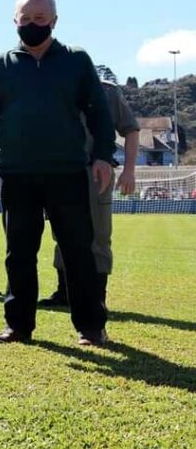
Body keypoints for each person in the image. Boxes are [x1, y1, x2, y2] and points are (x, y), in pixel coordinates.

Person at [0, 0, 115, 347]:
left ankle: (91, 327)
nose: (33, 24)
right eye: (26, 18)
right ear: (14, 20)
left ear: (54, 20)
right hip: (16, 173)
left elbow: (98, 111)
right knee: (18, 252)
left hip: (67, 171)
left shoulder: (77, 61)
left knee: (78, 250)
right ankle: (18, 325)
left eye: (40, 18)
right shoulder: (1, 65)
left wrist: (104, 155)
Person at [40, 81, 140, 310]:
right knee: (61, 234)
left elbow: (131, 130)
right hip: (60, 171)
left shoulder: (106, 91)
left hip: (96, 172)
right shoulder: (54, 86)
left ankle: (97, 298)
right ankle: (64, 293)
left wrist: (130, 170)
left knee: (99, 235)